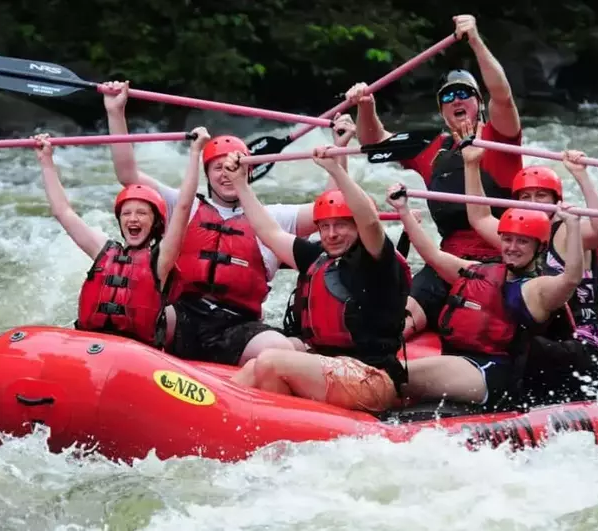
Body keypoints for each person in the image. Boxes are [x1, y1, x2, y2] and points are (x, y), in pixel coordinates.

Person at [102, 81, 354, 365]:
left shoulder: (272, 217)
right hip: (183, 313)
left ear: (248, 170)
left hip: (238, 325)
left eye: (232, 167)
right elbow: (128, 174)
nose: (225, 175)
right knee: (138, 311)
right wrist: (116, 111)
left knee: (278, 350)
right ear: (206, 174)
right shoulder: (184, 206)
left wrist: (339, 149)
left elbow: (331, 207)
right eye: (217, 168)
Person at [346, 14, 523, 339]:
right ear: (441, 111)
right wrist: (366, 106)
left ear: (478, 103)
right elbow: (373, 143)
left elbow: (503, 96)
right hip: (444, 261)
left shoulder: (501, 139)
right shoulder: (432, 150)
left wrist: (475, 41)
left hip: (503, 259)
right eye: (447, 97)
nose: (455, 100)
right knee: (397, 322)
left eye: (463, 94)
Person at [229, 146, 411, 412]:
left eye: (341, 225)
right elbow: (267, 231)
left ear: (356, 227)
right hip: (329, 370)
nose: (331, 234)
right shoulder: (317, 258)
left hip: (372, 378)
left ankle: (229, 412)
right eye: (324, 226)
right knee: (256, 366)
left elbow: (371, 223)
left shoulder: (376, 259)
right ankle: (223, 416)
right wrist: (239, 183)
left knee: (269, 361)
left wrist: (335, 168)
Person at [386, 182, 584, 409]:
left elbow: (571, 279)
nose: (512, 247)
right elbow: (433, 256)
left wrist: (574, 226)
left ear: (539, 247)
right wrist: (403, 211)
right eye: (507, 239)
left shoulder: (538, 290)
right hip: (465, 364)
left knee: (393, 377)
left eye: (522, 241)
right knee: (388, 378)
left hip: (494, 374)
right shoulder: (479, 271)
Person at [461, 126, 598, 403]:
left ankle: (513, 400)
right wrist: (471, 164)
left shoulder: (567, 231)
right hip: (552, 341)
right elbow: (479, 217)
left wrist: (581, 176)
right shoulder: (521, 239)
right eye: (525, 197)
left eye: (541, 196)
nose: (533, 204)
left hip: (587, 347)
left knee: (526, 346)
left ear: (557, 201)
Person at [33, 128, 208, 347]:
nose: (133, 219)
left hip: (136, 353)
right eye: (127, 213)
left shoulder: (162, 259)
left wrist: (194, 153)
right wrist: (46, 162)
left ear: (155, 223)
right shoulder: (103, 250)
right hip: (91, 346)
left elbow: (182, 207)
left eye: (142, 213)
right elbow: (63, 212)